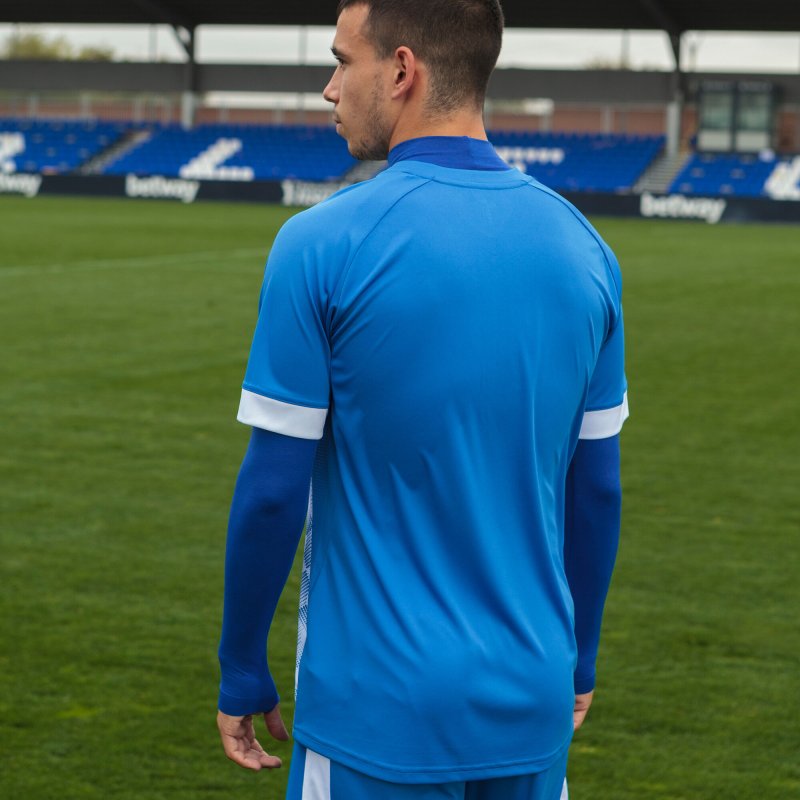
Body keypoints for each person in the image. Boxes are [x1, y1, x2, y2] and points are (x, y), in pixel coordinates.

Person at [216, 1, 628, 798]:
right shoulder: (587, 250)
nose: (330, 87)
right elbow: (597, 488)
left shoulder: (321, 242)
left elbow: (271, 491)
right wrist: (578, 659)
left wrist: (240, 664)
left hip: (375, 709)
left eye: (343, 61)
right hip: (533, 697)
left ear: (402, 70)